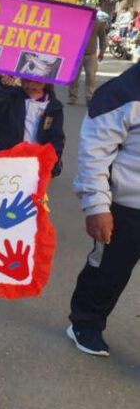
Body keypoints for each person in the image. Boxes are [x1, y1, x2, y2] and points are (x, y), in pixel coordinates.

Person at [67, 63, 140, 356]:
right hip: (127, 205)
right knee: (109, 269)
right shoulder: (122, 93)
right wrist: (97, 206)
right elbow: (94, 153)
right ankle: (86, 322)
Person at [0, 77, 66, 176]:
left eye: (37, 80)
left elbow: (57, 138)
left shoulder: (54, 107)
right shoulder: (11, 97)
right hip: (8, 157)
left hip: (35, 161)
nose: (30, 84)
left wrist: (53, 164)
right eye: (26, 80)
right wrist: (4, 88)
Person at [69, 15, 108, 105]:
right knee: (74, 77)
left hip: (91, 54)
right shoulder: (77, 21)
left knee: (91, 76)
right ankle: (72, 97)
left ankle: (90, 97)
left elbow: (103, 38)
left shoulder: (98, 23)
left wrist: (102, 51)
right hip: (76, 53)